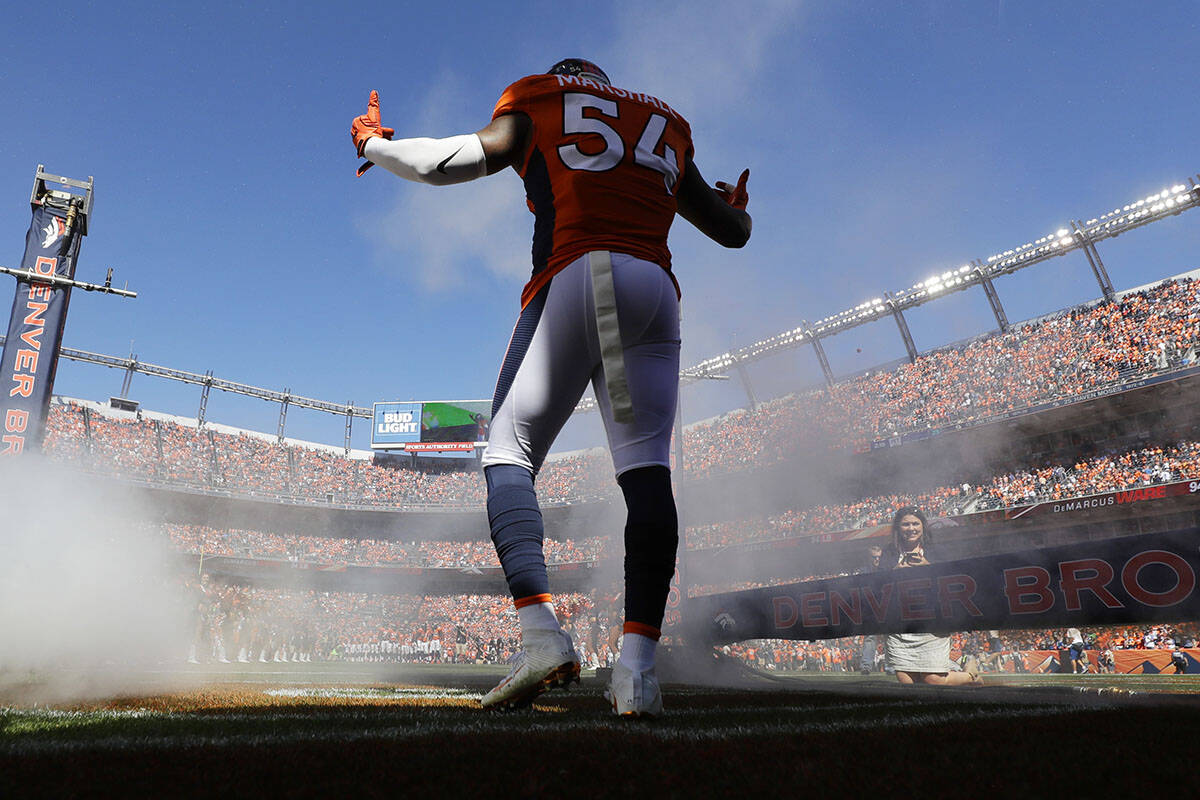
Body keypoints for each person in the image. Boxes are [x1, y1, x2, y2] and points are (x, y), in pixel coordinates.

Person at [352, 58, 751, 716]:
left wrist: (376, 145)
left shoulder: (544, 100)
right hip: (654, 295)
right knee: (648, 472)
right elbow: (733, 232)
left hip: (579, 276)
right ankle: (638, 673)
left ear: (567, 81)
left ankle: (540, 635)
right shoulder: (665, 123)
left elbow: (443, 162)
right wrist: (735, 208)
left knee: (507, 453)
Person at [882, 507, 980, 686]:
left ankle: (971, 676)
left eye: (915, 523)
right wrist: (895, 571)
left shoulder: (936, 550)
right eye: (905, 524)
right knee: (907, 682)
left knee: (933, 680)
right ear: (898, 528)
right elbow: (877, 583)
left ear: (922, 526)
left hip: (932, 620)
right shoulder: (889, 552)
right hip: (900, 622)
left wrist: (928, 566)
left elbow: (953, 579)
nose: (911, 528)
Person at [858, 545, 883, 674]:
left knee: (889, 637)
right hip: (870, 607)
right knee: (870, 637)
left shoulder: (886, 570)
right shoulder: (863, 571)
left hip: (885, 606)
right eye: (874, 557)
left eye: (879, 557)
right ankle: (866, 666)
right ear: (869, 557)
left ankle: (890, 667)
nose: (877, 560)